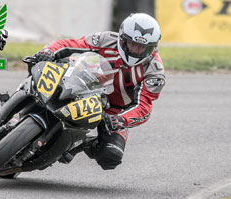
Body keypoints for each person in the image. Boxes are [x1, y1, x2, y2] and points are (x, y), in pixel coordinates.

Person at [29, 13, 166, 170]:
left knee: (111, 156)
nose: (136, 50)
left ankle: (80, 144)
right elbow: (72, 44)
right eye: (131, 43)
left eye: (143, 47)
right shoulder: (105, 39)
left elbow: (143, 107)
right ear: (122, 38)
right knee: (40, 69)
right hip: (82, 87)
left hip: (114, 111)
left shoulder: (155, 72)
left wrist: (121, 119)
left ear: (153, 47)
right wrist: (49, 51)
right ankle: (23, 100)